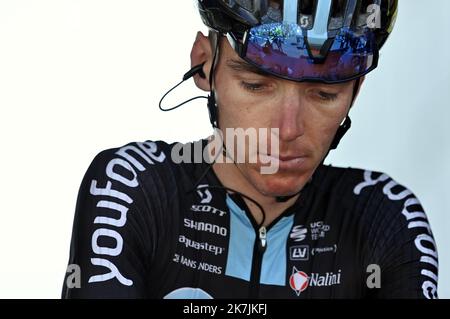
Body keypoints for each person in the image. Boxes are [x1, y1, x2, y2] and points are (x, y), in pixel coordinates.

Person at [62, 0, 439, 299]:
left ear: (355, 92)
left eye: (325, 93)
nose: (287, 130)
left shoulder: (383, 216)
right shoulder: (132, 185)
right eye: (255, 85)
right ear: (204, 66)